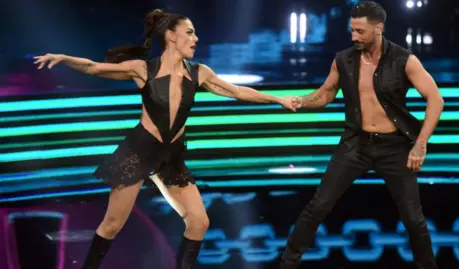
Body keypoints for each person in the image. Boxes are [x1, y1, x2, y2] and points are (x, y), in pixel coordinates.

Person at [34, 9, 296, 269]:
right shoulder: (143, 69)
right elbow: (94, 68)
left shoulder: (199, 73)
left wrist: (278, 99)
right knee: (112, 225)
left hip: (170, 156)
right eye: (190, 33)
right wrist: (63, 58)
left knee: (198, 221)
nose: (196, 39)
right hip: (139, 151)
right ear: (171, 36)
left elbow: (238, 91)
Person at [280, 2, 444, 269]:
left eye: (360, 31)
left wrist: (420, 144)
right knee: (318, 206)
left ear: (378, 28)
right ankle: (287, 263)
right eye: (352, 31)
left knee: (414, 219)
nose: (354, 37)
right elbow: (325, 95)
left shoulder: (404, 59)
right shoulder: (343, 59)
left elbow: (435, 100)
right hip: (356, 144)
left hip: (394, 147)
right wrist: (300, 101)